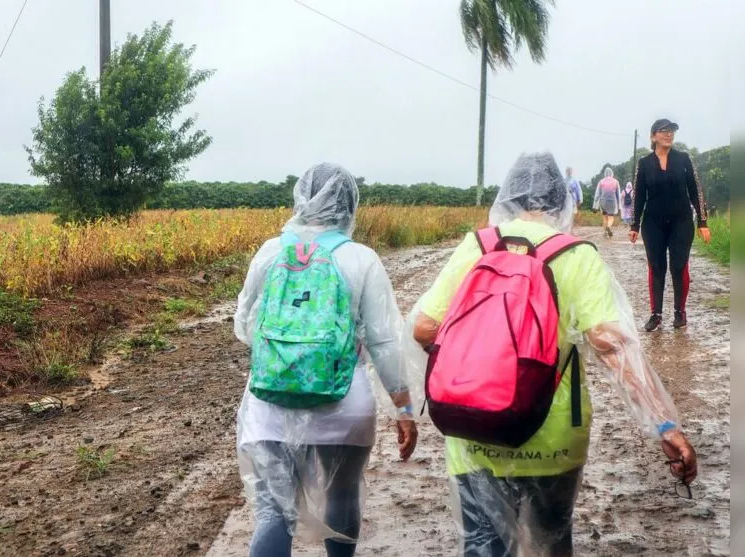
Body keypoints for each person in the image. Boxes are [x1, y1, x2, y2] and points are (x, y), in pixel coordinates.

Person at [409, 152, 697, 556]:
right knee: (552, 540)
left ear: (507, 196)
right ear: (562, 200)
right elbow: (612, 347)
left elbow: (422, 326)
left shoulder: (476, 246)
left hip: (473, 426)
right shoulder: (576, 255)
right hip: (554, 433)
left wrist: (476, 354)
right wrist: (665, 426)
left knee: (482, 543)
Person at [234, 162, 418, 557]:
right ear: (351, 204)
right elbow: (385, 341)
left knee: (273, 513)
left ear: (299, 198)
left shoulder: (270, 253)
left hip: (271, 403)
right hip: (343, 405)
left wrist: (290, 353)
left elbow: (244, 326)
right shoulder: (362, 258)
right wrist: (402, 407)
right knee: (342, 496)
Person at [629, 119, 711, 332]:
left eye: (672, 131)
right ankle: (656, 315)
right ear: (653, 136)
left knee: (678, 266)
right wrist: (634, 225)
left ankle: (679, 312)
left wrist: (703, 221)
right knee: (656, 267)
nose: (669, 135)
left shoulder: (684, 159)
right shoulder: (644, 163)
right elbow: (639, 196)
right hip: (653, 223)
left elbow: (696, 190)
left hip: (681, 221)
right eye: (664, 131)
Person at [593, 167, 621, 237]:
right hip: (612, 202)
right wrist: (619, 205)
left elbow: (597, 194)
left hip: (603, 202)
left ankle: (605, 232)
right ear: (612, 173)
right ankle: (608, 227)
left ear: (605, 173)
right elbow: (618, 195)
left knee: (605, 217)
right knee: (611, 217)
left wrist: (595, 206)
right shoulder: (616, 181)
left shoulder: (601, 181)